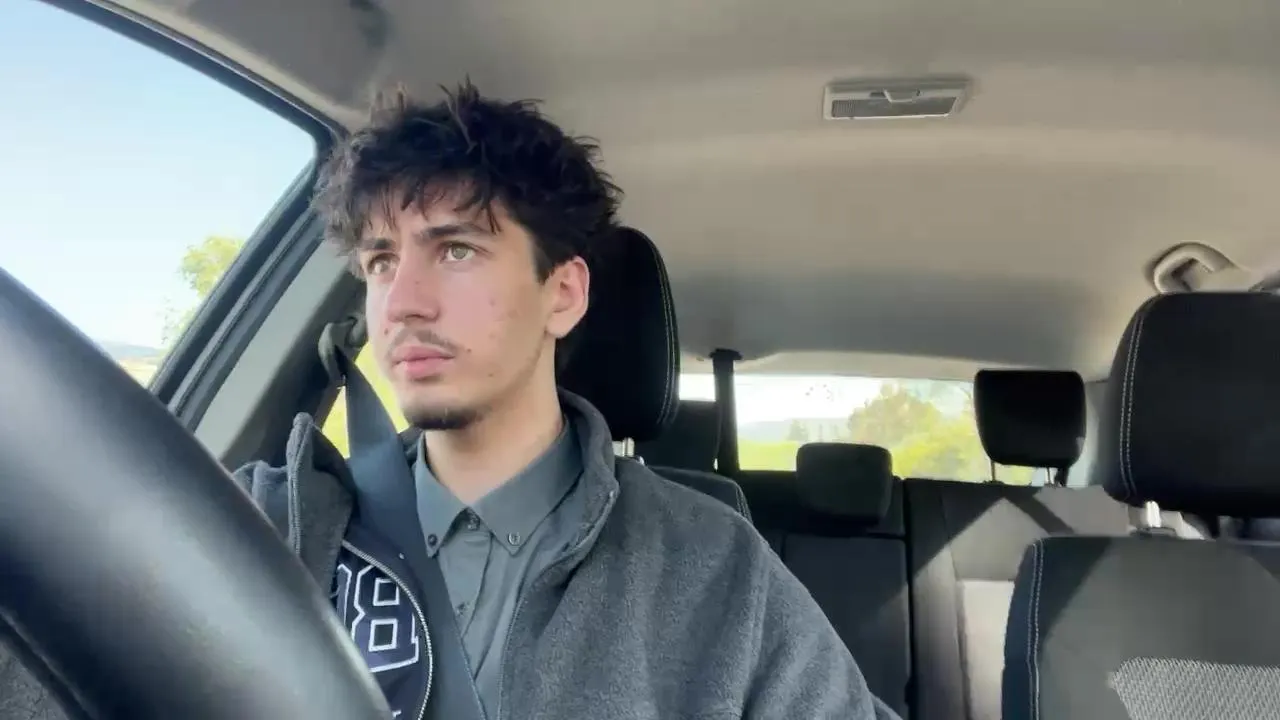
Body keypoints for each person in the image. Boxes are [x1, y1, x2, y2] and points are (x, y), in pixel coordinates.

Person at [234, 82, 898, 720]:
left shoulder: (713, 567)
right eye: (380, 262)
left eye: (457, 250)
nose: (402, 303)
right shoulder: (280, 523)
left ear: (564, 294)